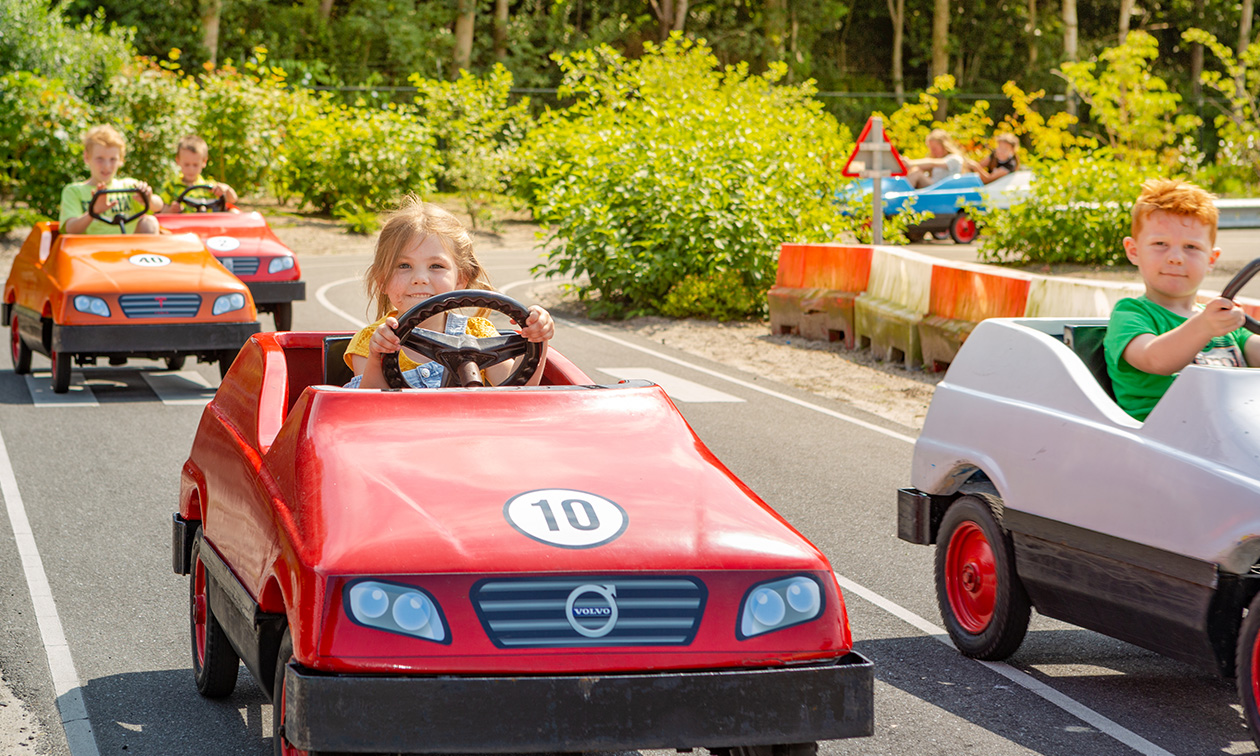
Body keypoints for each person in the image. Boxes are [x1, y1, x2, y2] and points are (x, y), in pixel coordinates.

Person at [345, 197, 554, 389]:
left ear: (460, 279)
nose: (420, 278)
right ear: (382, 280)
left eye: (436, 266)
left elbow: (517, 391)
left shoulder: (478, 334)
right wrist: (378, 357)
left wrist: (537, 338)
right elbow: (368, 405)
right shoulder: (372, 340)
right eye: (404, 266)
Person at [1104, 178, 1258, 421]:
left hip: (1230, 427)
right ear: (1134, 251)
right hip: (1163, 435)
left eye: (1191, 247)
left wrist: (1210, 323)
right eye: (1160, 244)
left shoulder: (1226, 324)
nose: (1176, 257)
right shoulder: (1130, 314)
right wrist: (1204, 326)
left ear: (1211, 259)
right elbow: (1155, 359)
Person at [59, 125, 164, 234]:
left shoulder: (129, 186)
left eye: (113, 159)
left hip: (130, 244)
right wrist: (93, 212)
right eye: (100, 159)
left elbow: (158, 206)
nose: (107, 166)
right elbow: (71, 230)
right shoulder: (74, 191)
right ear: (87, 157)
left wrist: (148, 199)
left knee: (150, 222)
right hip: (93, 244)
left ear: (121, 160)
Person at [162, 134, 238, 213]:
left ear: (204, 162)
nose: (191, 169)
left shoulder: (210, 187)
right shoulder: (170, 186)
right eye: (186, 164)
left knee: (234, 212)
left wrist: (226, 189)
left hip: (207, 220)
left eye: (195, 165)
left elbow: (233, 199)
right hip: (181, 221)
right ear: (178, 161)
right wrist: (170, 210)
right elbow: (161, 210)